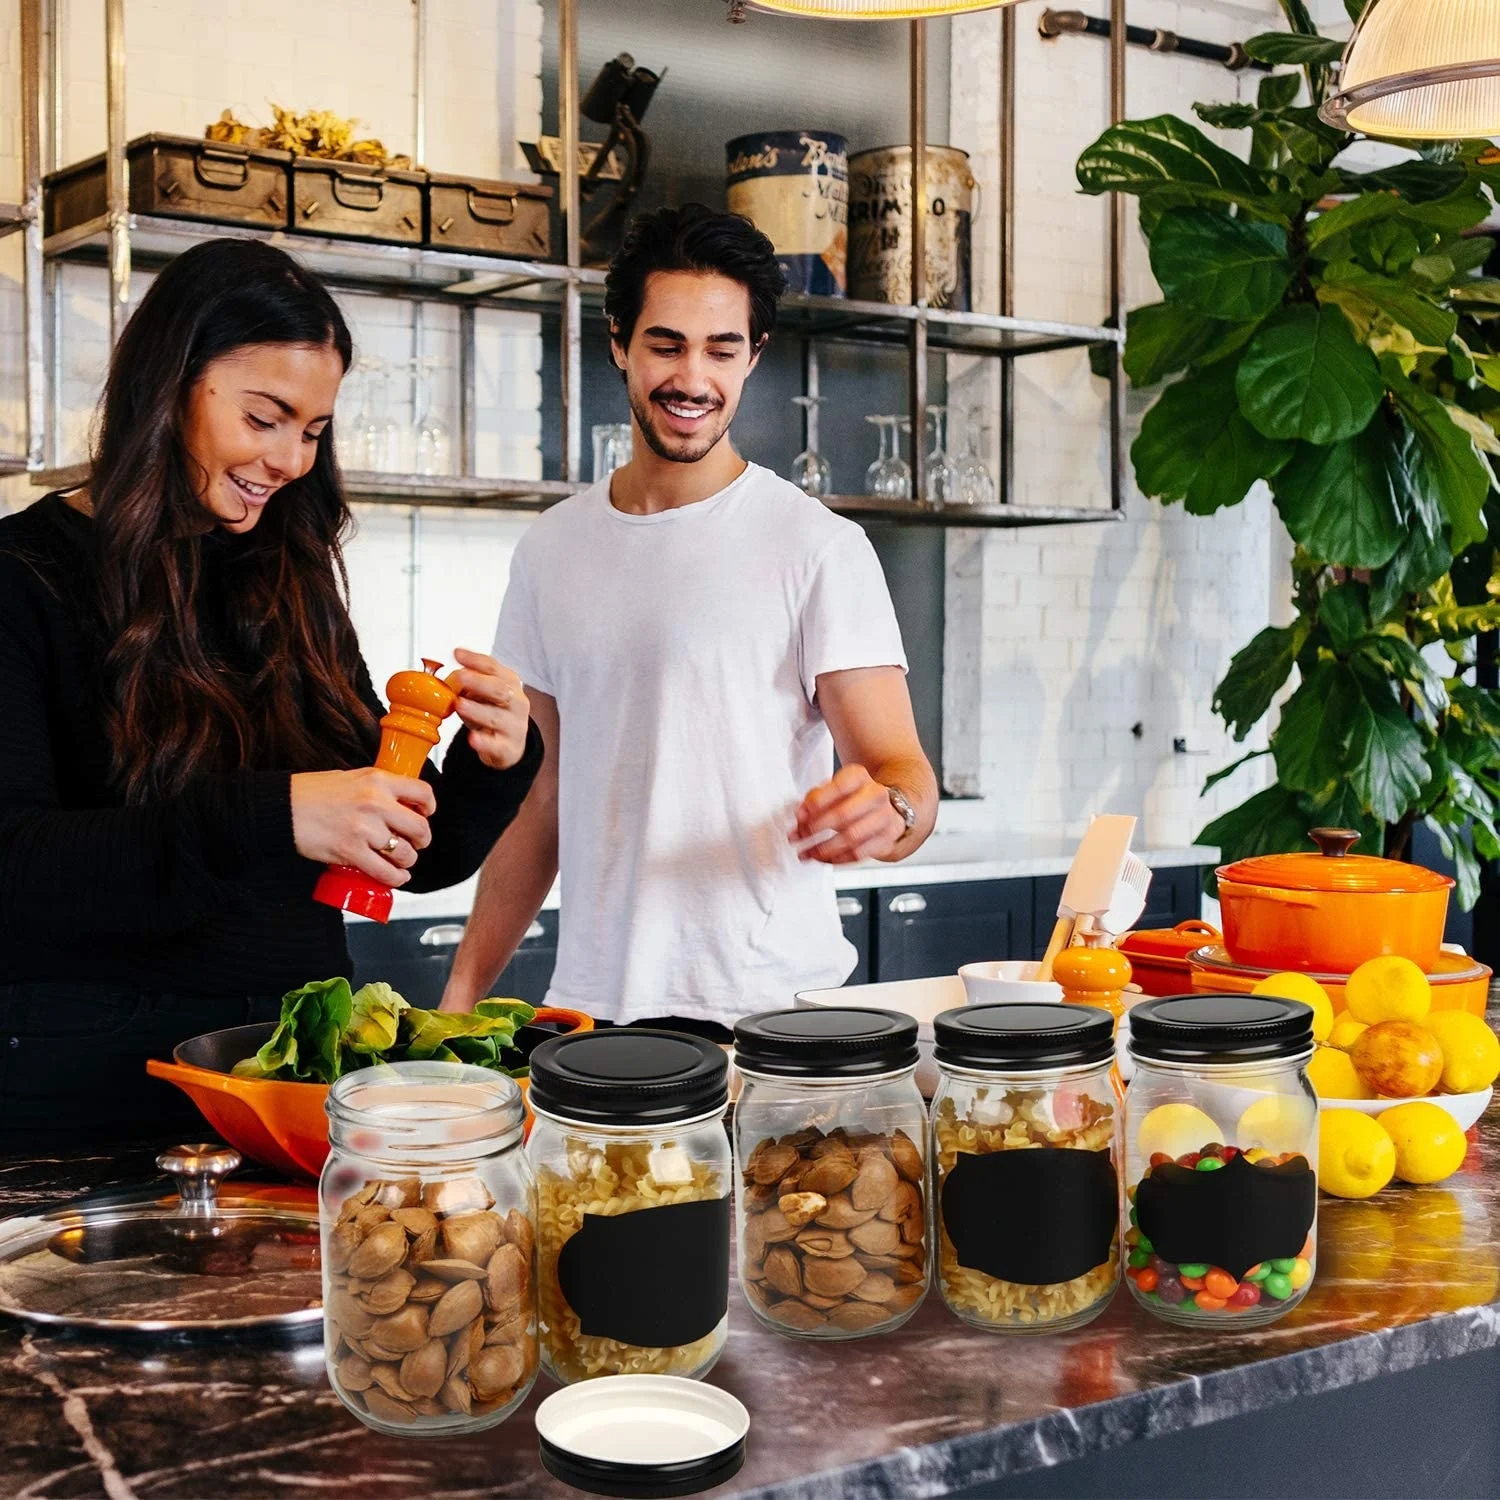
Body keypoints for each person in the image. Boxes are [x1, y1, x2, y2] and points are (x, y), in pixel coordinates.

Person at [0, 238, 541, 1147]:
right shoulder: (22, 578)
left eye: (314, 430)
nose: (291, 459)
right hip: (85, 1105)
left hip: (289, 1092)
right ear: (171, 385)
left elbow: (410, 854)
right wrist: (278, 815)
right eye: (265, 417)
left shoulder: (290, 579)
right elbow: (15, 863)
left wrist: (494, 762)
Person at [442, 203, 937, 1037]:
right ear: (619, 345)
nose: (692, 379)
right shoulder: (552, 549)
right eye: (666, 345)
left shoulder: (819, 548)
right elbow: (540, 797)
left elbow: (903, 775)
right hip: (596, 1012)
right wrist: (459, 998)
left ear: (754, 358)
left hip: (775, 1015)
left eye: (721, 349)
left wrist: (887, 815)